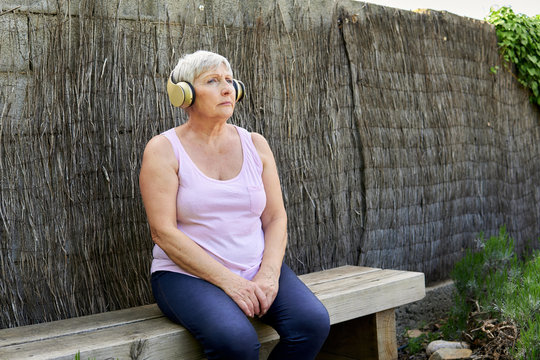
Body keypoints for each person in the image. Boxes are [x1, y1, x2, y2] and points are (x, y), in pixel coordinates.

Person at [139, 50, 330, 360]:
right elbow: (163, 232)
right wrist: (231, 283)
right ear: (183, 94)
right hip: (187, 276)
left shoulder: (255, 144)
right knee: (236, 342)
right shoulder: (163, 150)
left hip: (256, 267)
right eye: (212, 81)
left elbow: (275, 217)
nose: (227, 88)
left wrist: (268, 275)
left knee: (311, 324)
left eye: (229, 80)